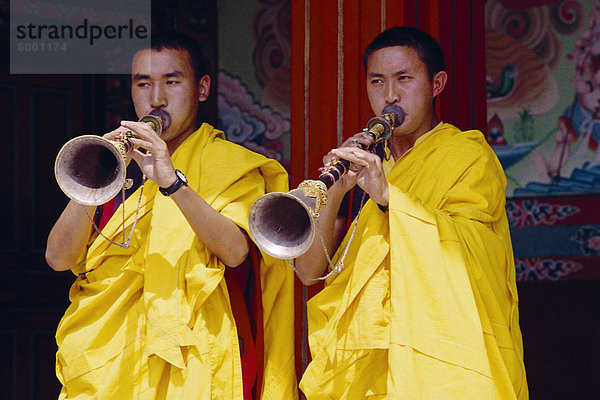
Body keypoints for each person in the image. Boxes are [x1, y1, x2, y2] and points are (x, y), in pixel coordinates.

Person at [46, 30, 297, 400]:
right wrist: (99, 176)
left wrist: (171, 182)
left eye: (172, 81)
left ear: (202, 88)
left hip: (193, 359)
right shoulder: (116, 165)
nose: (157, 98)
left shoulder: (228, 165)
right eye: (143, 83)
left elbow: (235, 252)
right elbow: (58, 257)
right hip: (108, 363)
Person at [295, 26, 528, 399]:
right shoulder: (366, 167)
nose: (390, 95)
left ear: (436, 83)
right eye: (377, 81)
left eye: (404, 79)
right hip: (366, 367)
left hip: (439, 361)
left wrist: (389, 197)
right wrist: (337, 191)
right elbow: (309, 272)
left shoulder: (467, 157)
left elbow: (471, 251)